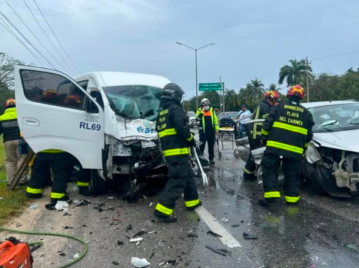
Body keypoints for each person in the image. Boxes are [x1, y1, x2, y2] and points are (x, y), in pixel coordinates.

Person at [154, 83, 201, 223]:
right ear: (174, 95)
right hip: (178, 152)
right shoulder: (176, 109)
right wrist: (191, 139)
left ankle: (192, 202)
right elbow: (182, 129)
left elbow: (160, 130)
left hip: (170, 152)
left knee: (188, 176)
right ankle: (162, 210)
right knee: (177, 180)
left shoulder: (162, 112)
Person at [260, 85, 314, 205]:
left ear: (288, 95)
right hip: (294, 150)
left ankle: (271, 195)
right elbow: (309, 136)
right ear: (301, 97)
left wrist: (264, 138)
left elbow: (267, 124)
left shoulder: (279, 107)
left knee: (270, 168)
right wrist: (303, 148)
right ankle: (292, 199)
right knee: (292, 173)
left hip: (274, 146)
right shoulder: (306, 114)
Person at [26, 90, 72, 204]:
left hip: (41, 148)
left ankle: (32, 192)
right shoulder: (62, 110)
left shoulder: (37, 111)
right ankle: (58, 196)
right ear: (57, 99)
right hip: (58, 150)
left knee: (39, 171)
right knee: (60, 173)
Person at [243, 91, 280, 180]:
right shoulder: (265, 107)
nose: (275, 102)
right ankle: (248, 174)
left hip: (256, 134)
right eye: (274, 100)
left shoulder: (265, 106)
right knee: (255, 154)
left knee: (254, 154)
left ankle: (248, 173)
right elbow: (269, 121)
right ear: (269, 99)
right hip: (257, 134)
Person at [0, 98, 27, 186]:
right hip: (21, 140)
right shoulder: (21, 115)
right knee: (22, 159)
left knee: (10, 161)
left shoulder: (1, 117)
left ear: (6, 106)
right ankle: (22, 180)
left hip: (7, 141)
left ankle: (11, 181)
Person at [195, 98, 219, 165]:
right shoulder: (199, 111)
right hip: (202, 132)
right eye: (205, 104)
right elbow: (197, 119)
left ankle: (211, 159)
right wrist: (202, 112)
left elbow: (215, 121)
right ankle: (200, 160)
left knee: (211, 146)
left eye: (207, 104)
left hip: (211, 132)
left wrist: (217, 129)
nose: (206, 105)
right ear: (202, 105)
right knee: (201, 147)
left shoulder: (212, 111)